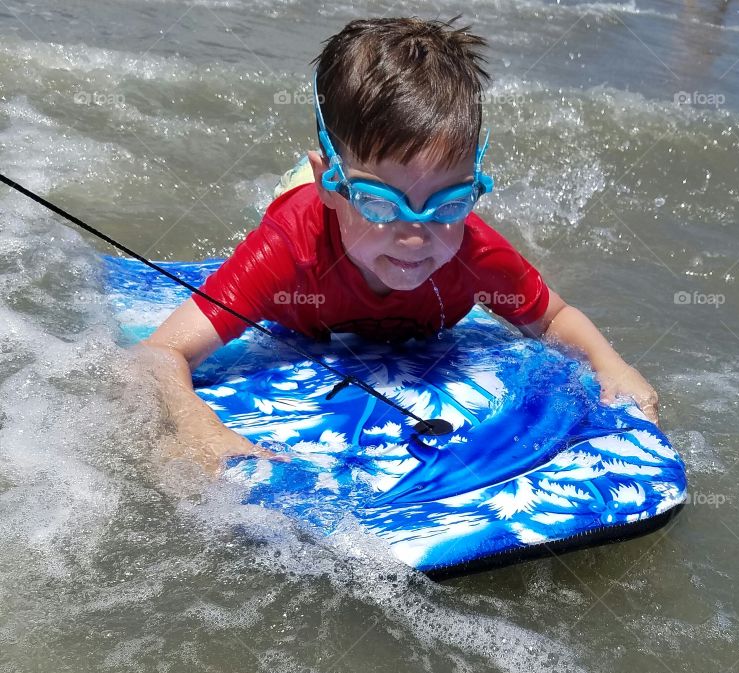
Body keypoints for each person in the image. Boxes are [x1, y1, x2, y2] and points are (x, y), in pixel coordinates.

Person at [136, 16, 661, 474]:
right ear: (332, 186)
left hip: (342, 190)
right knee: (303, 203)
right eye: (382, 205)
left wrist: (611, 365)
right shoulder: (286, 253)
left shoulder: (475, 254)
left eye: (449, 203)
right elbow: (157, 353)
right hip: (311, 207)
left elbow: (553, 318)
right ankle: (312, 180)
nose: (415, 237)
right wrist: (194, 424)